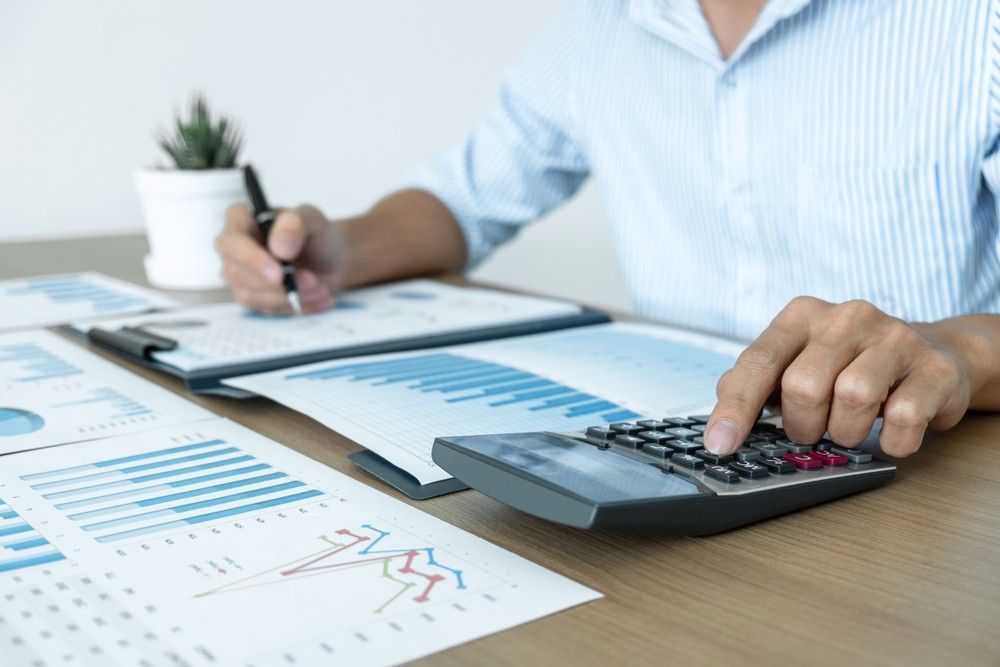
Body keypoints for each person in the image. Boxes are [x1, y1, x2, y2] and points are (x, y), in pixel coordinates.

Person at [216, 0, 1000, 459]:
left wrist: (956, 352)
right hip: (685, 454)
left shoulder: (972, 24)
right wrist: (341, 250)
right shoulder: (597, 25)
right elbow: (465, 200)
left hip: (934, 478)